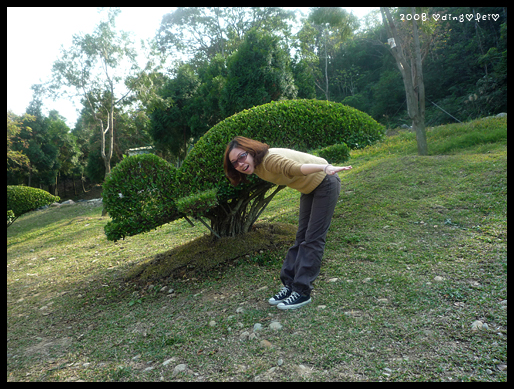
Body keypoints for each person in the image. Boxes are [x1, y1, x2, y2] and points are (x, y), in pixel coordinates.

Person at [223, 136, 352, 310]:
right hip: (309, 189)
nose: (240, 164)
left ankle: (302, 292)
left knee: (313, 238)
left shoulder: (269, 160)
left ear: (251, 151)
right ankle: (290, 285)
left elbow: (295, 168)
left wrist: (326, 167)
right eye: (234, 163)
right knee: (301, 238)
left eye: (242, 156)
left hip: (325, 182)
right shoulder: (258, 166)